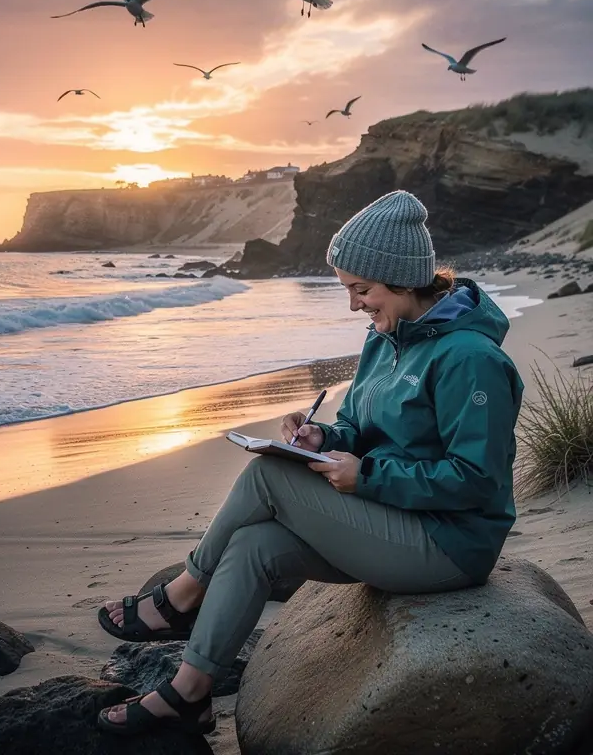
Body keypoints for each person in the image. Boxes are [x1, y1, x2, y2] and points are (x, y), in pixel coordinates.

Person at [96, 190, 524, 736]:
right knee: (254, 547)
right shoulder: (386, 340)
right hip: (394, 523)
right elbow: (363, 429)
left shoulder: (470, 359)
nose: (354, 306)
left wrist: (366, 476)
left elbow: (477, 481)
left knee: (270, 473)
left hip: (450, 545)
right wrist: (324, 435)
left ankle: (181, 596)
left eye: (361, 290)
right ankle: (190, 693)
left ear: (402, 278)